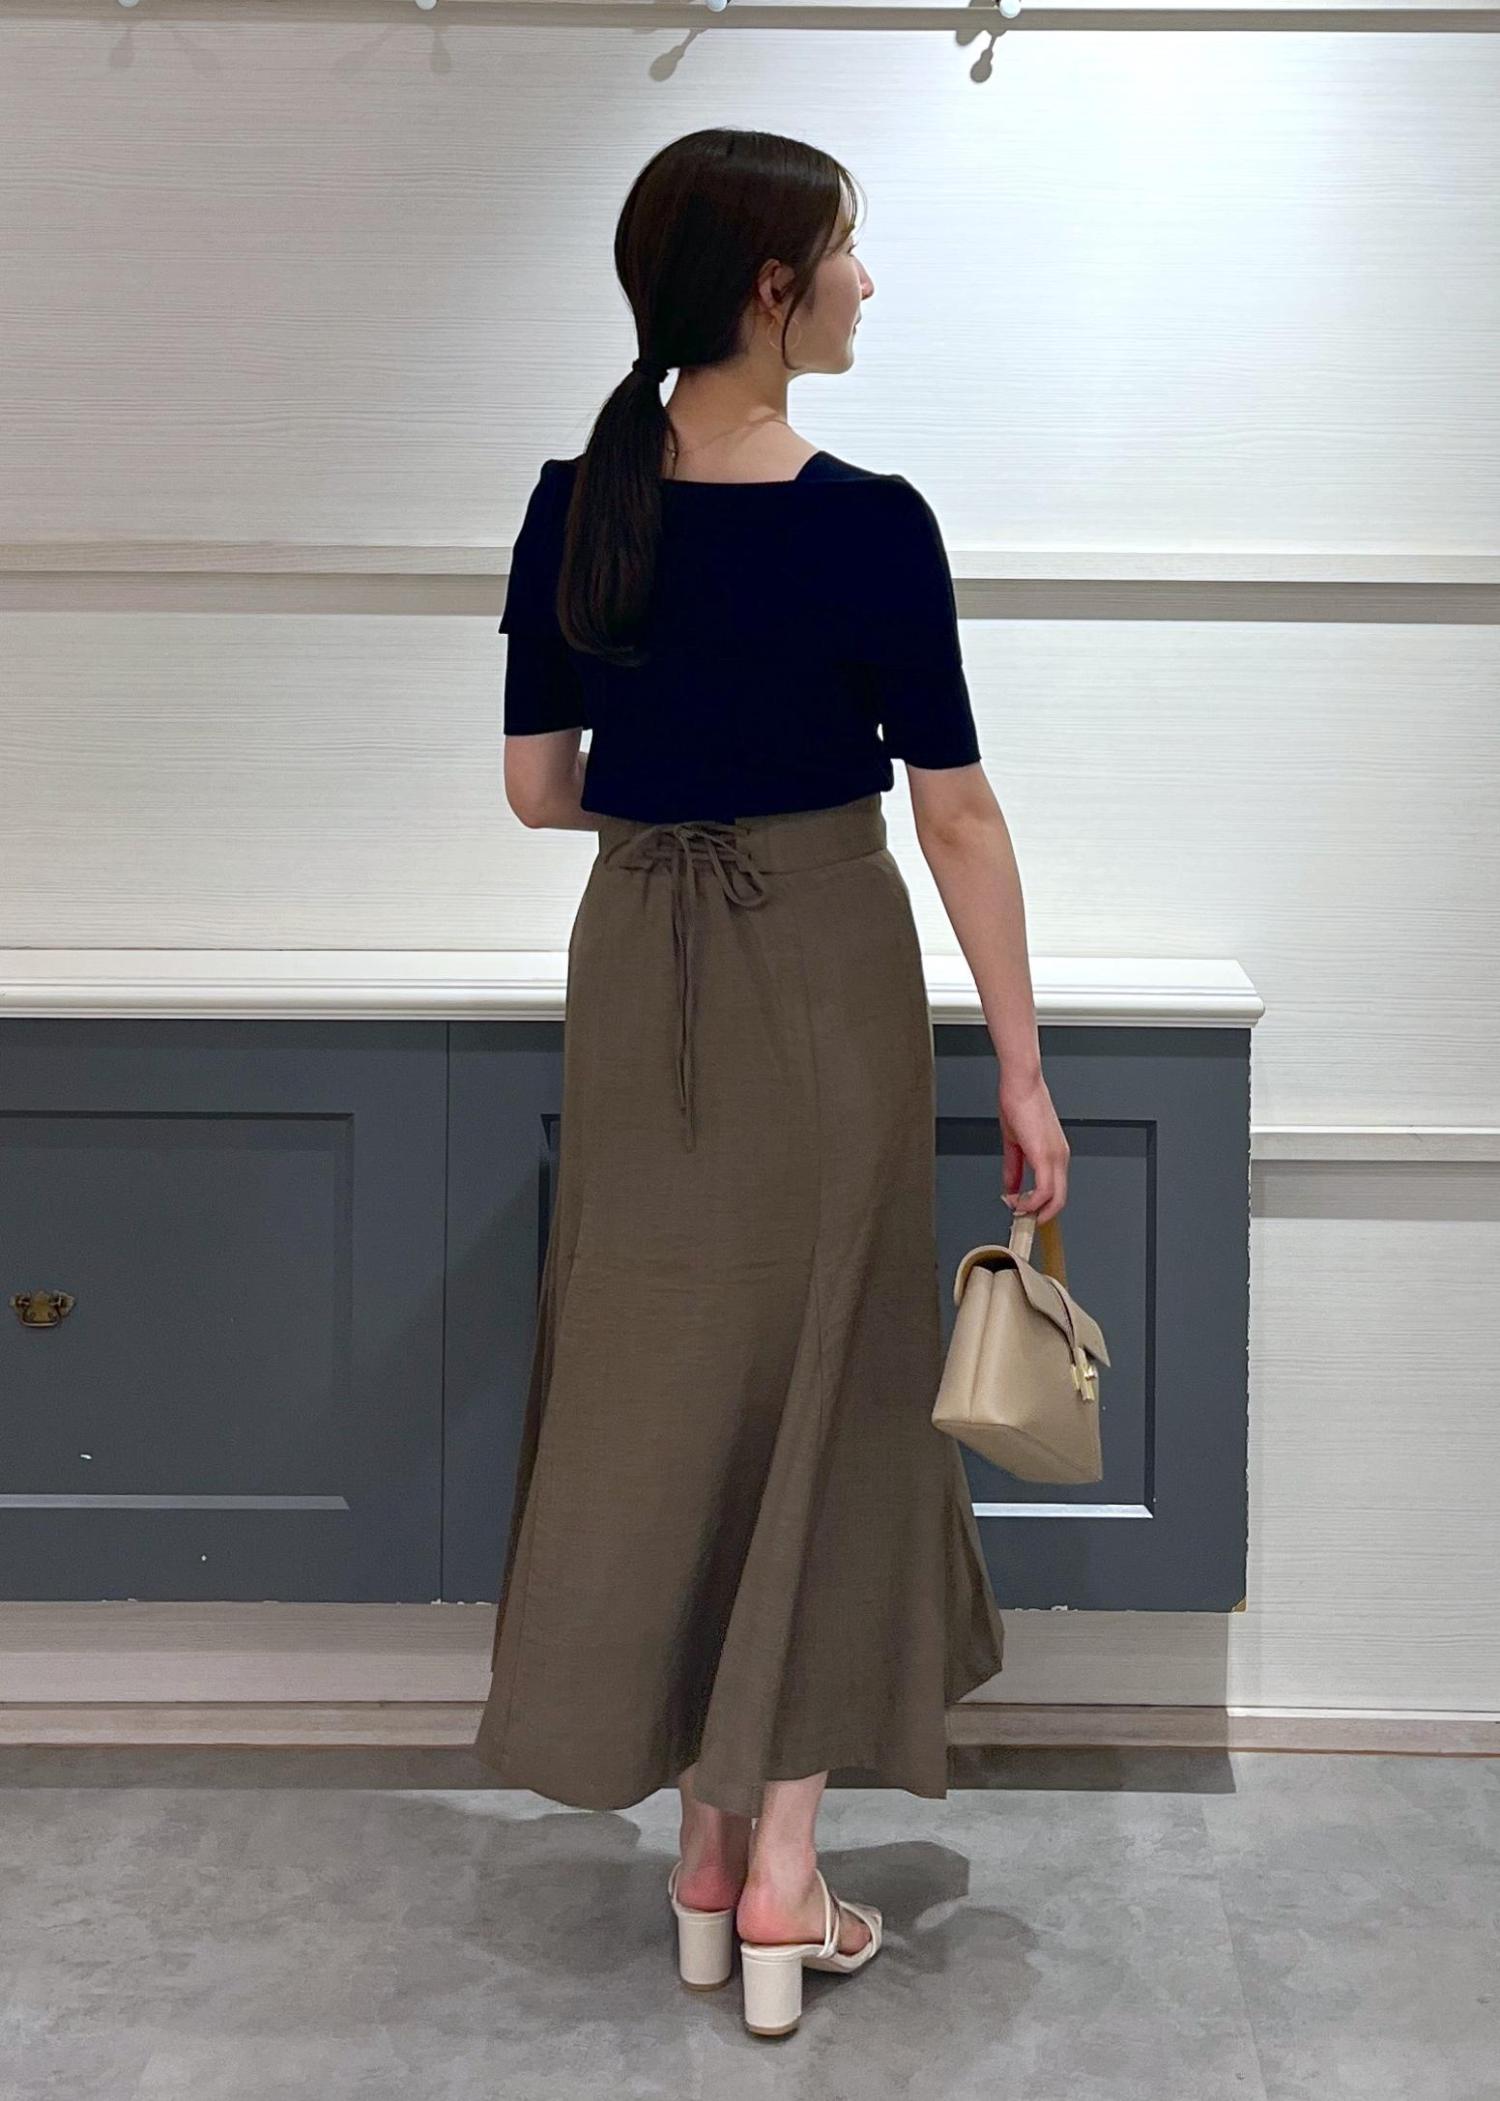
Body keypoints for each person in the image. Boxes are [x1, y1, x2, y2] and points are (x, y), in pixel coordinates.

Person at [473, 126, 1069, 2036]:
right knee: (838, 1384)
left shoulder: (577, 502)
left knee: (667, 1389)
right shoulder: (868, 522)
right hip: (819, 960)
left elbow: (539, 789)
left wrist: (672, 815)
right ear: (769, 285)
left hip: (635, 967)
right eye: (849, 250)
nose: (868, 283)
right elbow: (956, 816)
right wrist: (1026, 1071)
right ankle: (785, 1871)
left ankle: (705, 1858)